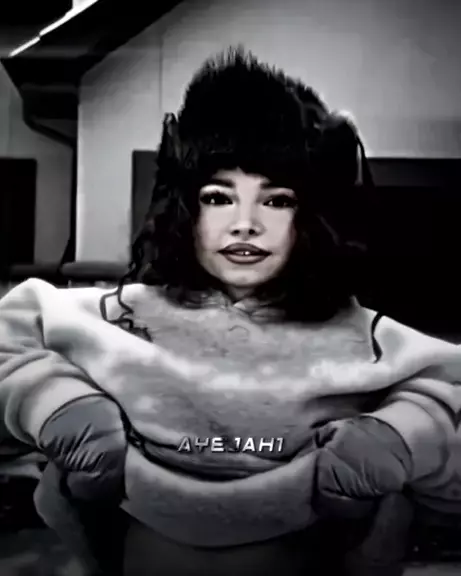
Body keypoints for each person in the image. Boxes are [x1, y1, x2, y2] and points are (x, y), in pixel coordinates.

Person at [0, 47, 459, 576]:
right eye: (219, 197)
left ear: (310, 214)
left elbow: (449, 385)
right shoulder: (121, 313)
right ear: (185, 206)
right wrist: (56, 403)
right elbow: (13, 332)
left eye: (276, 200)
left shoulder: (361, 333)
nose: (245, 223)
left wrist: (401, 433)